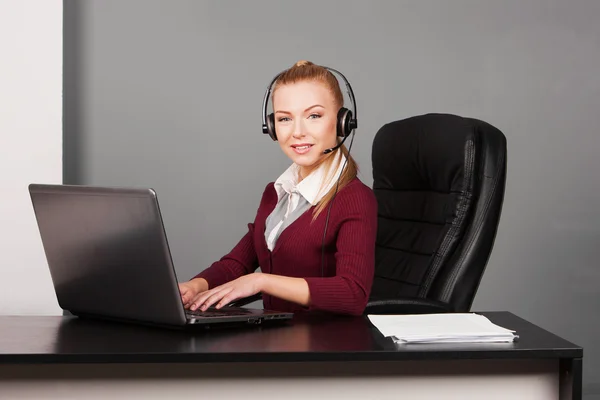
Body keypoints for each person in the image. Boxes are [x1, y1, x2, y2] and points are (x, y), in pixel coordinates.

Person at [178, 60, 377, 316]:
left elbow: (352, 294)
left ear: (342, 122)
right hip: (279, 338)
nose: (297, 132)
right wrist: (195, 286)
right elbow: (237, 263)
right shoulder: (277, 192)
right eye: (285, 119)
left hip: (327, 346)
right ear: (271, 127)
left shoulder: (355, 198)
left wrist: (261, 281)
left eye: (314, 116)